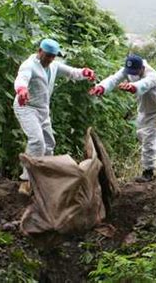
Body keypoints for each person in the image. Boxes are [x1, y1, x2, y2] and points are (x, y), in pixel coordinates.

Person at [14, 38, 96, 195]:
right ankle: (26, 181)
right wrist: (22, 90)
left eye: (53, 56)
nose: (50, 59)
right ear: (40, 51)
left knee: (49, 144)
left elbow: (72, 72)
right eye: (48, 55)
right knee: (37, 141)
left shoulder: (53, 66)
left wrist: (84, 73)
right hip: (26, 107)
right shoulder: (29, 65)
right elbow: (22, 78)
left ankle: (44, 176)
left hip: (43, 110)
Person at [89, 55, 156, 183]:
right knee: (140, 134)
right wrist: (101, 87)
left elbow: (144, 84)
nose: (132, 74)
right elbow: (114, 79)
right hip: (143, 110)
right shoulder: (128, 70)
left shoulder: (152, 75)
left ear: (142, 68)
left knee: (148, 139)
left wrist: (133, 87)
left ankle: (148, 172)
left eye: (135, 72)